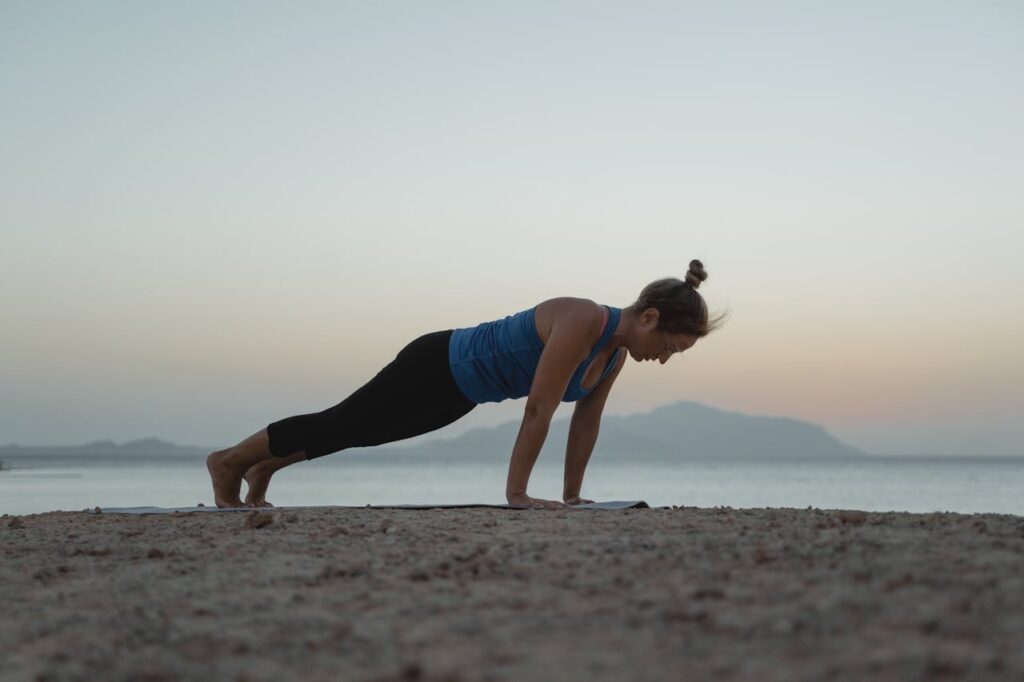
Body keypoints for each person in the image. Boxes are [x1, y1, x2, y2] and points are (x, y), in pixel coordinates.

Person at [207, 259, 726, 510]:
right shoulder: (582, 320)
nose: (664, 360)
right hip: (436, 362)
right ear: (651, 318)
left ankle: (264, 470)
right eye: (670, 348)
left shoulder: (611, 358)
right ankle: (229, 461)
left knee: (361, 434)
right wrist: (518, 494)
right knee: (344, 421)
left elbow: (584, 423)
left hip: (463, 393)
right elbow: (540, 410)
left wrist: (572, 497)